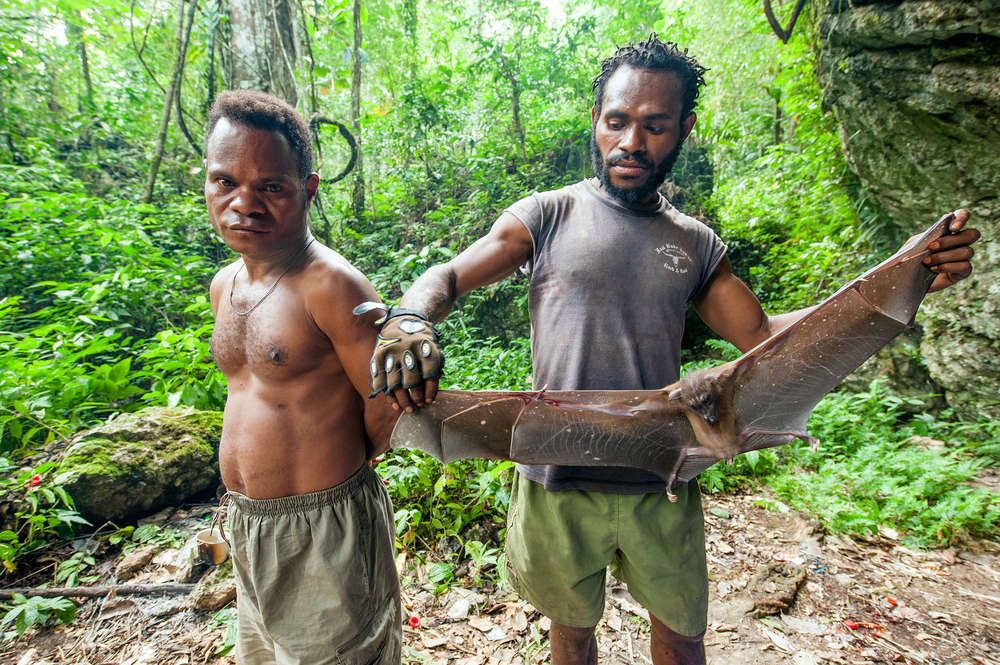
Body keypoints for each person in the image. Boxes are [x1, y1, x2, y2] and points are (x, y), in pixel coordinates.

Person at [364, 35, 980, 665]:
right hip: (556, 473)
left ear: (683, 129)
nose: (632, 141)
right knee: (571, 634)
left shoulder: (693, 244)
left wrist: (903, 275)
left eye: (655, 126)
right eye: (617, 121)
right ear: (596, 121)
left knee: (682, 634)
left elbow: (764, 338)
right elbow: (448, 276)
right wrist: (410, 317)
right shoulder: (547, 215)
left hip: (658, 472)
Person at [204, 90, 401, 665]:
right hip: (247, 523)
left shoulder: (333, 287)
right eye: (225, 182)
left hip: (325, 527)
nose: (245, 203)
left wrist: (338, 468)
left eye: (271, 186)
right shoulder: (224, 285)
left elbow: (384, 402)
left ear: (307, 189)